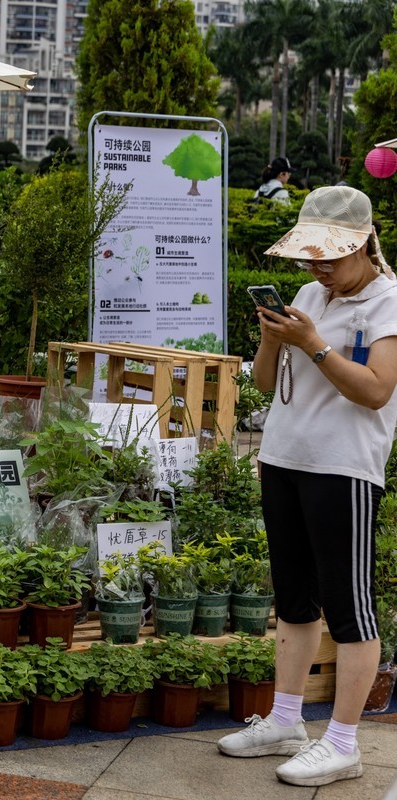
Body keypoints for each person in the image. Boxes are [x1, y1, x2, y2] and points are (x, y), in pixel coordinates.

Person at [218, 185, 397, 787]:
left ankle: (343, 742)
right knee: (294, 600)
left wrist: (314, 344)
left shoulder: (389, 302)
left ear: (363, 244)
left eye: (329, 256)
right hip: (284, 457)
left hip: (344, 468)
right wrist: (273, 338)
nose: (317, 267)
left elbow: (376, 391)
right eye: (309, 256)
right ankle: (285, 719)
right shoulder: (308, 294)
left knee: (350, 608)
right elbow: (266, 383)